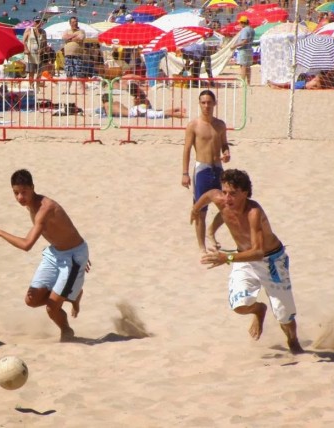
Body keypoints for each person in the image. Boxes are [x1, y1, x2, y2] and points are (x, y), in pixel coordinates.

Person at [190, 169, 304, 355]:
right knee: (239, 305)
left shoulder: (254, 212)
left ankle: (293, 340)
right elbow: (209, 195)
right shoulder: (220, 199)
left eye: (233, 193)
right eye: (225, 192)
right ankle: (259, 309)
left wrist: (226, 257)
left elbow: (258, 251)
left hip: (272, 260)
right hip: (244, 258)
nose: (227, 198)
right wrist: (195, 209)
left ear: (245, 193)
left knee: (284, 315)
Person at [0, 169, 90, 342]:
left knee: (51, 308)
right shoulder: (30, 204)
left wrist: (0, 232)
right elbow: (64, 228)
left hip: (73, 257)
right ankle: (70, 293)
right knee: (31, 300)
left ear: (33, 188)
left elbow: (27, 245)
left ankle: (66, 330)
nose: (20, 197)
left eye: (24, 192)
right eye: (16, 193)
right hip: (55, 252)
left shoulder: (45, 208)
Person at [182, 90, 230, 253]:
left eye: (209, 102)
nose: (206, 106)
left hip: (218, 168)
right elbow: (187, 150)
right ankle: (202, 247)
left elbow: (224, 144)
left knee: (227, 205)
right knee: (200, 209)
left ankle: (211, 231)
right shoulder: (193, 125)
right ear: (199, 104)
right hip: (202, 169)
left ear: (215, 103)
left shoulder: (220, 125)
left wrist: (226, 152)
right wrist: (185, 173)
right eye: (203, 102)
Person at [101, 93, 187, 118]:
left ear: (103, 101)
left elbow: (108, 115)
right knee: (156, 112)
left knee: (159, 114)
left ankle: (181, 115)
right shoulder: (116, 103)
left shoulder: (107, 106)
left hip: (135, 112)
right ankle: (176, 109)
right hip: (135, 109)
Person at [62, 16, 86, 94]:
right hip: (68, 56)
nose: (74, 23)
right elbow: (64, 37)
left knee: (79, 73)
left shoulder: (81, 31)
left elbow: (80, 38)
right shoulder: (66, 31)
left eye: (75, 22)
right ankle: (68, 89)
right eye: (72, 22)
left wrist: (69, 38)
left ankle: (82, 90)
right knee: (69, 73)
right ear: (70, 23)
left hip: (77, 55)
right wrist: (74, 36)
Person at [22, 16, 48, 87]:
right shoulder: (29, 30)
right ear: (33, 22)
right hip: (31, 56)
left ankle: (37, 85)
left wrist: (43, 49)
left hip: (40, 55)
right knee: (31, 72)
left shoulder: (43, 32)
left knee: (39, 72)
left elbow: (45, 44)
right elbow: (23, 41)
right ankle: (31, 86)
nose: (38, 23)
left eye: (39, 22)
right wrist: (26, 49)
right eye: (36, 22)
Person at [230, 16, 255, 85]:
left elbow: (244, 41)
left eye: (240, 23)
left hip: (243, 50)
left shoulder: (244, 30)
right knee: (248, 67)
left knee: (243, 66)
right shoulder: (252, 30)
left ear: (243, 23)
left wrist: (235, 45)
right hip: (250, 49)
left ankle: (242, 82)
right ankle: (248, 82)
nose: (240, 25)